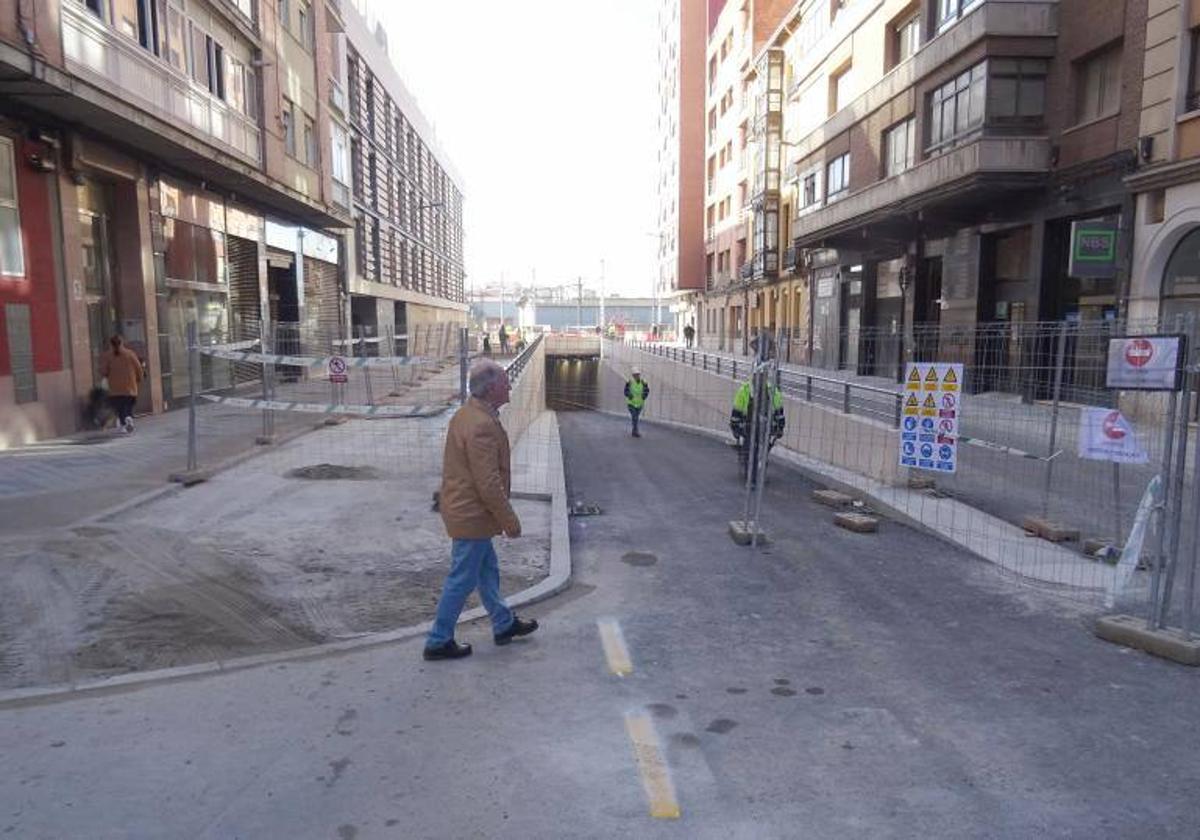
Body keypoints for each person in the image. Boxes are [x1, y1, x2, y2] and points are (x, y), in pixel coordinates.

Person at [424, 359, 539, 661]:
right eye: (505, 382)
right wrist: (510, 521)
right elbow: (487, 482)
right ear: (491, 389)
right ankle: (438, 640)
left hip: (468, 511)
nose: (510, 385)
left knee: (487, 572)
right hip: (472, 514)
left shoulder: (468, 415)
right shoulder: (481, 426)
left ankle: (503, 624)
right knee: (462, 578)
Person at [729, 375, 785, 487]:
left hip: (764, 427)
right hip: (750, 427)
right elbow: (737, 410)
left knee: (758, 450)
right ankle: (752, 477)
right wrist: (735, 427)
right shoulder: (746, 390)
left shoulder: (770, 391)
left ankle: (755, 475)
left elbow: (779, 411)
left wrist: (780, 427)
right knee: (752, 450)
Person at [99, 335, 143, 434]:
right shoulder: (130, 354)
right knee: (128, 405)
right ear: (122, 343)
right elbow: (138, 368)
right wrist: (139, 378)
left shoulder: (108, 356)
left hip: (115, 389)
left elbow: (104, 371)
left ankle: (124, 424)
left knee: (120, 408)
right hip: (130, 387)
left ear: (111, 344)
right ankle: (129, 418)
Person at [624, 367, 648, 438]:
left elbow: (647, 391)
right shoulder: (629, 382)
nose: (637, 376)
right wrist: (629, 395)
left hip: (640, 404)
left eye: (638, 374)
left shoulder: (643, 382)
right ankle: (635, 432)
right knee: (634, 417)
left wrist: (644, 396)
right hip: (631, 403)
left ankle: (634, 431)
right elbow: (625, 391)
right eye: (635, 374)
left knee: (636, 417)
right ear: (633, 375)